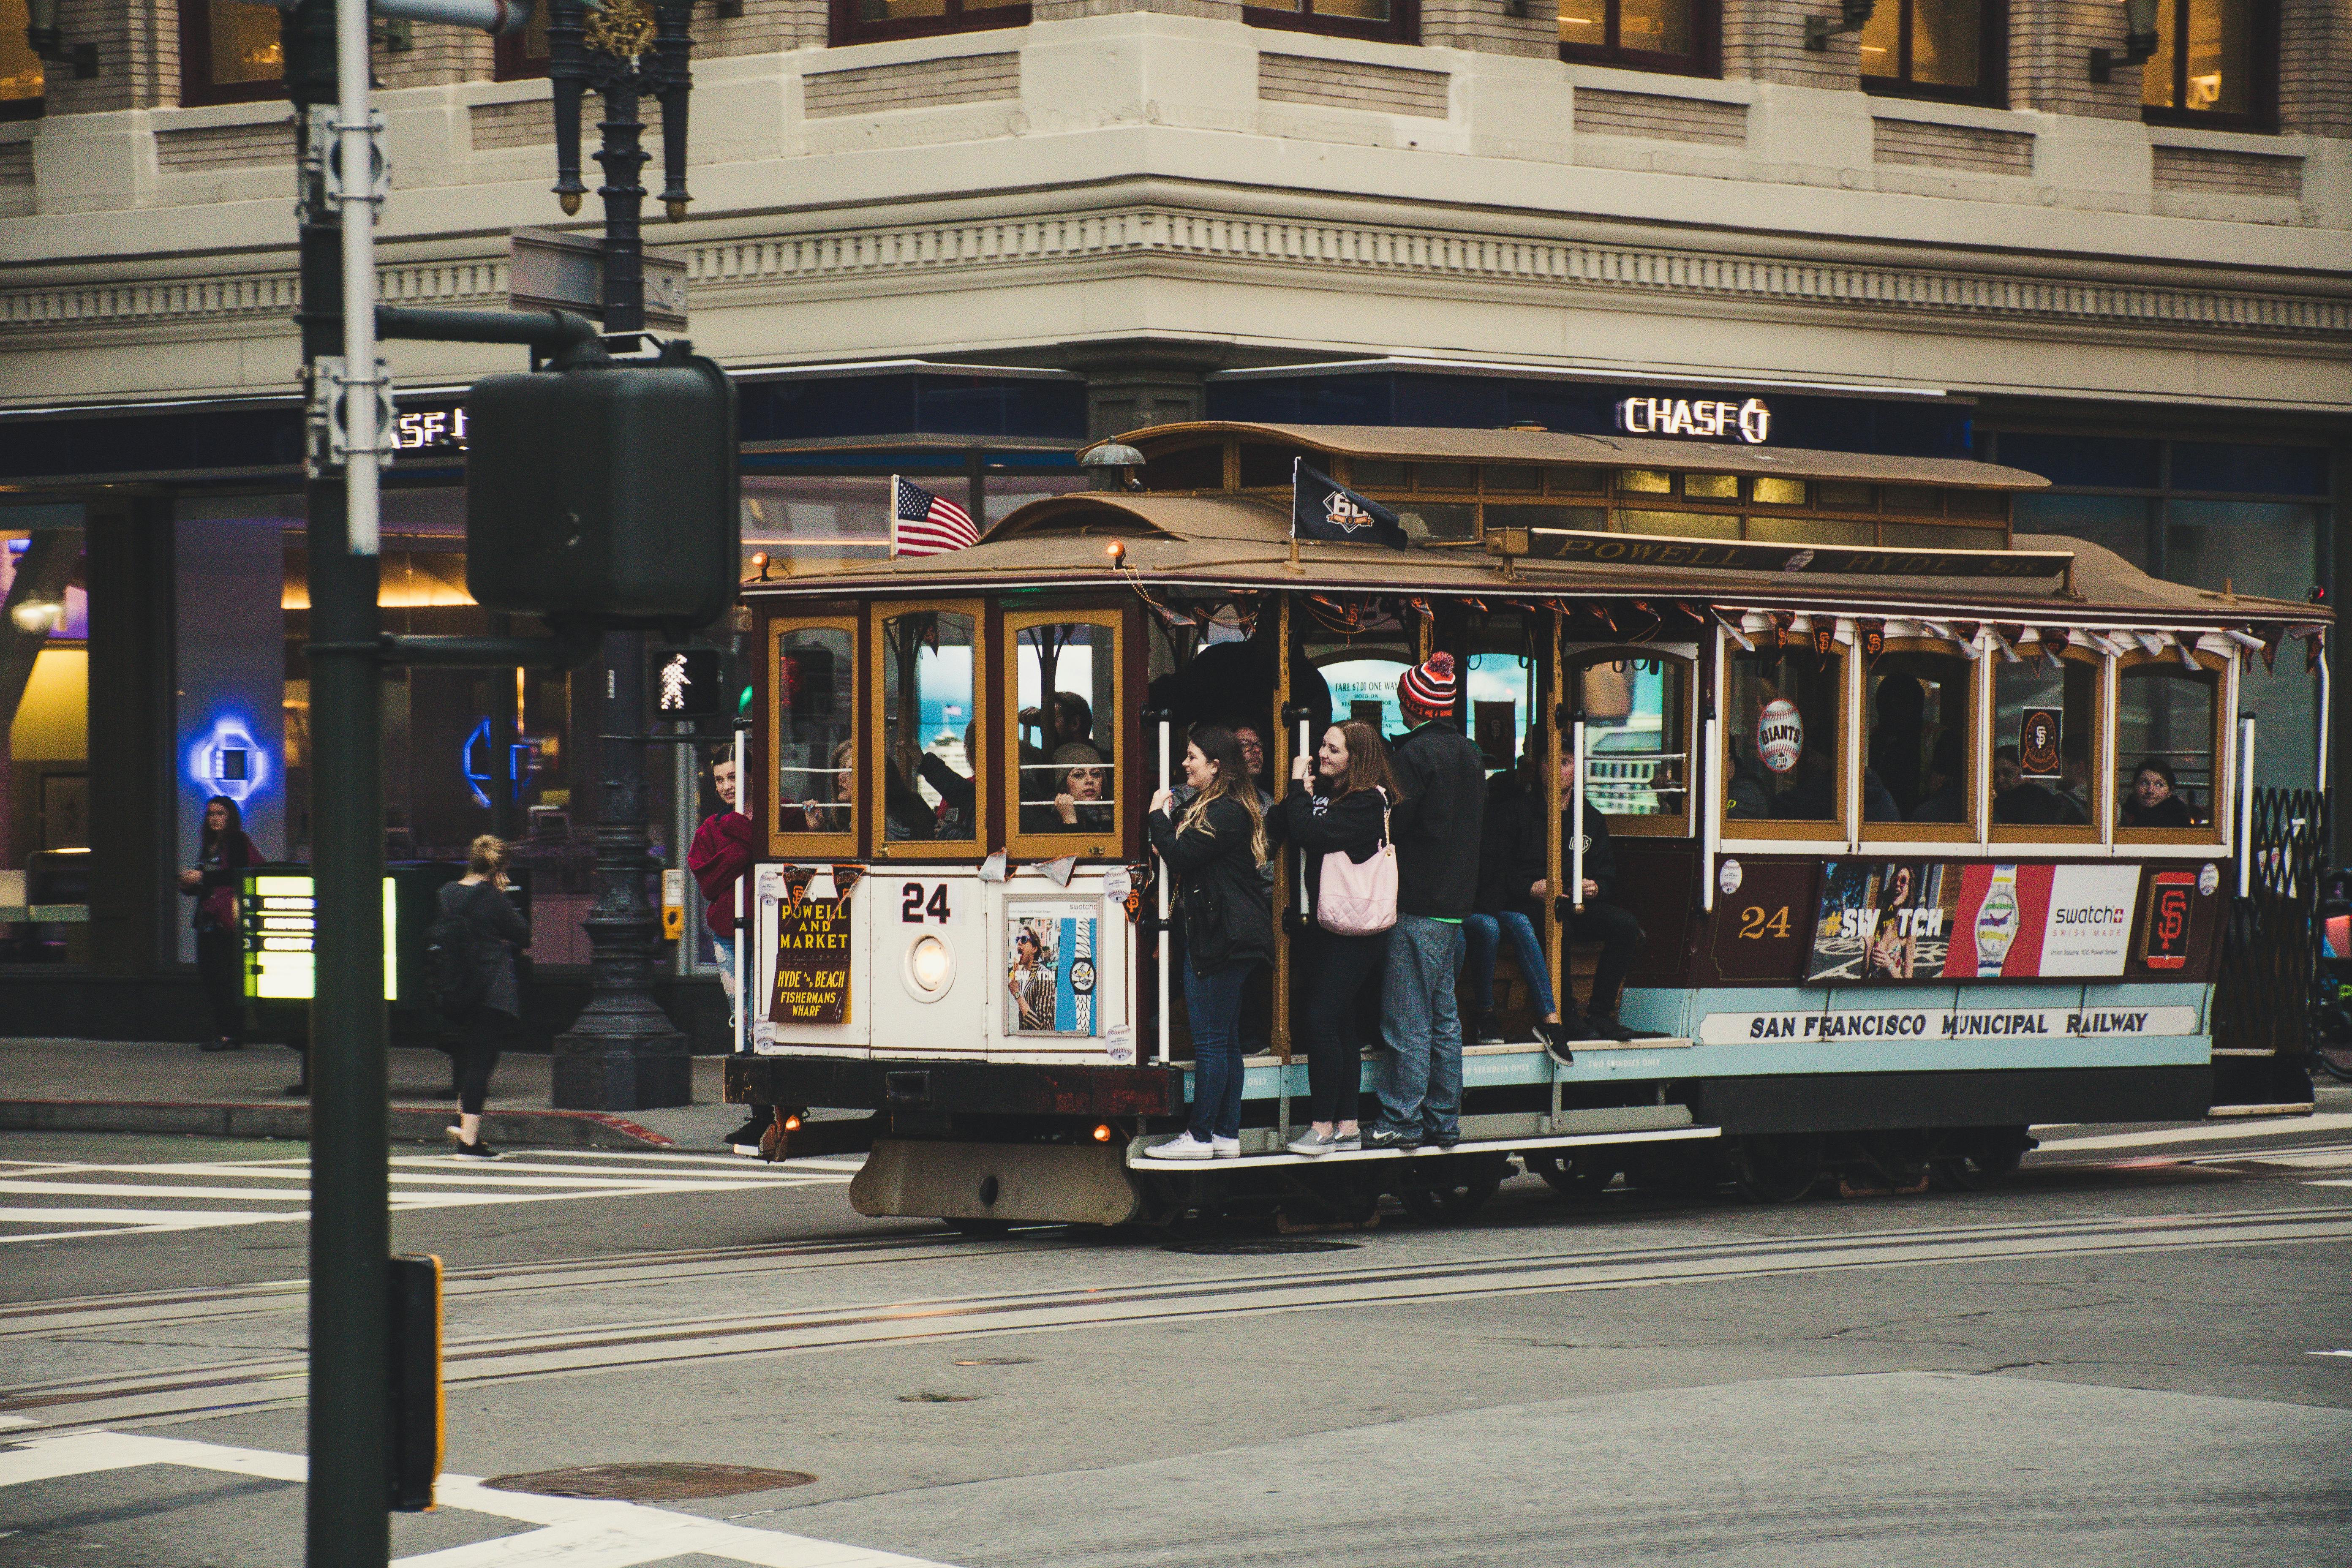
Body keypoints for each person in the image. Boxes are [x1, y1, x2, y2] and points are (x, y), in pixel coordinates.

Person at [1366, 653, 1484, 1152]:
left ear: (1411, 705)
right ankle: (1443, 1120)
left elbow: (1393, 825)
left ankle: (1401, 1119)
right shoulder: (1471, 752)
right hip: (1455, 903)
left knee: (1406, 1019)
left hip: (1416, 902)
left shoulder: (1412, 758)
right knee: (1443, 1020)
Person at [1264, 719, 1396, 1156]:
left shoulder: (1367, 802)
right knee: (1340, 1025)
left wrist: (1295, 790)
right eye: (1322, 746)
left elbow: (1312, 834)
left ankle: (1321, 1127)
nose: (1322, 754)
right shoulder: (1324, 793)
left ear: (1356, 760)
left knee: (1320, 1020)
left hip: (1358, 929)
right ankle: (1348, 1125)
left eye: (1333, 750)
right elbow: (1282, 823)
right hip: (1325, 924)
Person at [1143, 725, 1274, 1160]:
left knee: (1213, 1042)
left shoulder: (1226, 810)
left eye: (1192, 757)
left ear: (1215, 766)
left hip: (1224, 937)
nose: (1185, 764)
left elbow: (1180, 857)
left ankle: (1199, 1136)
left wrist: (1156, 816)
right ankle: (1225, 1133)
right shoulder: (1222, 805)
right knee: (1227, 1041)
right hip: (1230, 934)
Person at [1465, 746, 1574, 1057]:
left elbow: (1498, 873)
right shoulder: (1494, 809)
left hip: (1491, 900)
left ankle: (1551, 1021)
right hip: (1462, 907)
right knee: (1487, 927)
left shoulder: (1504, 808)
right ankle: (1485, 1014)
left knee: (1519, 921)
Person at [1533, 748, 1646, 1044]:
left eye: (1566, 762)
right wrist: (1529, 888)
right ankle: (1566, 1015)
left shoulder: (1591, 818)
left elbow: (1606, 873)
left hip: (1577, 904)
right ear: (1539, 767)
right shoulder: (1519, 812)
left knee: (1625, 925)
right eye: (1550, 760)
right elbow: (1502, 870)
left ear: (1577, 770)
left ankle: (1600, 1014)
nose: (1558, 769)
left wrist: (1596, 887)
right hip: (1534, 906)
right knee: (1561, 928)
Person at [689, 752, 769, 1154]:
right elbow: (708, 883)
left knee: (769, 1017)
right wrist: (746, 841)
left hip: (772, 931)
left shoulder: (775, 815)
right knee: (744, 1018)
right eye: (720, 780)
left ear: (753, 776)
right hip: (729, 937)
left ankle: (771, 1111)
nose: (726, 787)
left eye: (734, 776)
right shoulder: (712, 828)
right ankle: (759, 1114)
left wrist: (741, 841)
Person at [439, 835, 528, 1161]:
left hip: (456, 987)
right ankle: (470, 1142)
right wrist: (502, 895)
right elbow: (524, 934)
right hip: (491, 988)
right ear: (499, 868)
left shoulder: (447, 893)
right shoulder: (494, 899)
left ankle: (461, 1120)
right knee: (482, 1061)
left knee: (466, 1057)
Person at [179, 795, 259, 1053]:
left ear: (231, 817)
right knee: (212, 976)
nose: (214, 818)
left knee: (224, 977)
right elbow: (211, 881)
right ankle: (226, 1032)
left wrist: (202, 876)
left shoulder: (236, 841)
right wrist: (191, 884)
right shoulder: (210, 844)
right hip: (208, 918)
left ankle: (230, 1034)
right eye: (211, 813)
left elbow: (235, 874)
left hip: (227, 921)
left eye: (220, 813)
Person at [1991, 745, 2063, 825]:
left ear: (2026, 773)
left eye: (2008, 773)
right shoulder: (1994, 807)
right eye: (1995, 776)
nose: (2000, 780)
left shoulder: (2037, 799)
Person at [1908, 730, 1966, 823]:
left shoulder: (1925, 814)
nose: (1927, 779)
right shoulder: (1981, 812)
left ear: (1941, 777)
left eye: (1930, 773)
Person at [2121, 756, 2194, 828]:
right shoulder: (2122, 814)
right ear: (2134, 785)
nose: (2150, 790)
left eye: (2159, 785)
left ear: (2170, 791)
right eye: (2144, 783)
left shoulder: (2177, 822)